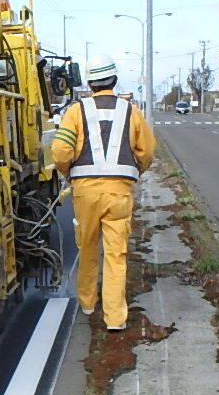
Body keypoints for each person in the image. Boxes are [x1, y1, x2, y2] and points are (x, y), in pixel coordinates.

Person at [51, 53, 156, 331]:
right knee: (115, 254)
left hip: (85, 192)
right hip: (119, 192)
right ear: (115, 80)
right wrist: (134, 172)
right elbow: (146, 152)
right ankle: (115, 318)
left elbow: (61, 151)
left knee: (86, 247)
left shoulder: (75, 111)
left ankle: (87, 304)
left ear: (90, 82)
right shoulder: (131, 111)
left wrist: (67, 172)